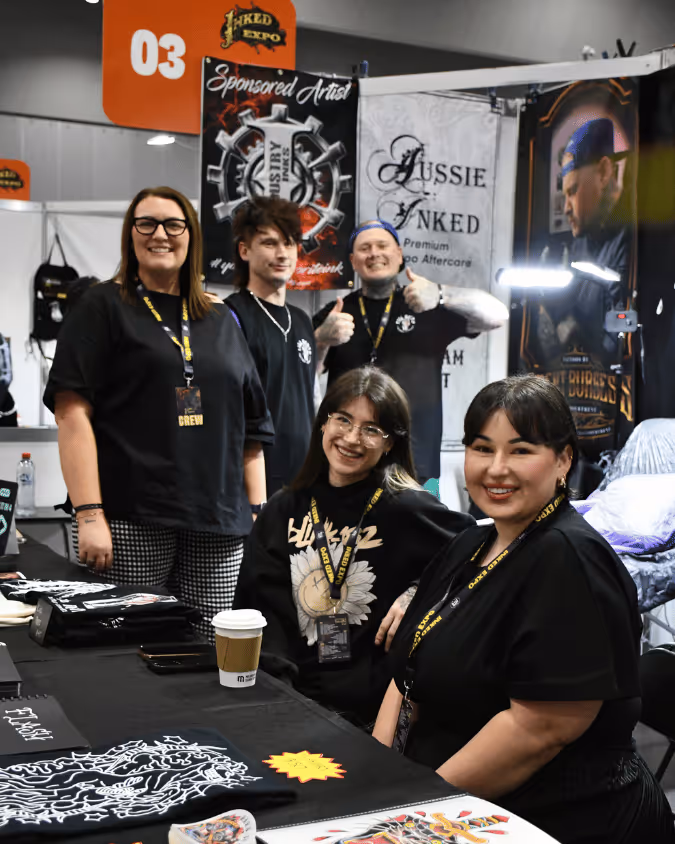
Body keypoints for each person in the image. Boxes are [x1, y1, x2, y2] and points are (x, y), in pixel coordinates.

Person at [373, 374, 674, 844]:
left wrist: (409, 811)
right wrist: (376, 778)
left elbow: (537, 731)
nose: (497, 469)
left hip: (555, 819)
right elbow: (407, 672)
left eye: (520, 450)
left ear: (563, 460)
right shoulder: (471, 542)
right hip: (442, 797)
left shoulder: (571, 560)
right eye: (482, 448)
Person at [44, 186, 273, 639]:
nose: (160, 234)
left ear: (191, 236)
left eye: (173, 224)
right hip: (130, 516)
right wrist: (88, 513)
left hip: (219, 522)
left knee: (209, 651)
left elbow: (251, 432)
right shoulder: (102, 305)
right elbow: (71, 414)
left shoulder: (222, 318)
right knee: (126, 651)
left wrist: (257, 513)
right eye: (146, 223)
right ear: (130, 234)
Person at [235, 366, 474, 728]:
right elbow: (261, 610)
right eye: (343, 420)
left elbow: (476, 550)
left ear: (390, 443)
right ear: (324, 423)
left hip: (372, 712)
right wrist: (280, 701)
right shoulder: (284, 509)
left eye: (371, 429)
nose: (351, 438)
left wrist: (416, 593)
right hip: (288, 700)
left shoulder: (404, 507)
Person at [313, 220, 508, 484]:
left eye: (382, 245)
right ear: (353, 261)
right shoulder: (336, 313)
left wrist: (441, 294)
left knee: (424, 511)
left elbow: (498, 315)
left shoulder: (427, 305)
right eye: (365, 248)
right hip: (349, 459)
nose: (374, 253)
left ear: (399, 254)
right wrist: (321, 340)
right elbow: (302, 377)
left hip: (418, 463)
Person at [227, 197, 316, 497]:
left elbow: (307, 400)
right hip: (251, 484)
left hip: (303, 479)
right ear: (244, 250)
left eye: (289, 243)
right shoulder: (229, 316)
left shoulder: (302, 321)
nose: (282, 254)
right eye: (269, 243)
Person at [539, 118, 632, 357]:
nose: (566, 208)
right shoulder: (580, 245)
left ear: (603, 173)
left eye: (572, 191)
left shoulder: (634, 243)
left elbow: (622, 343)